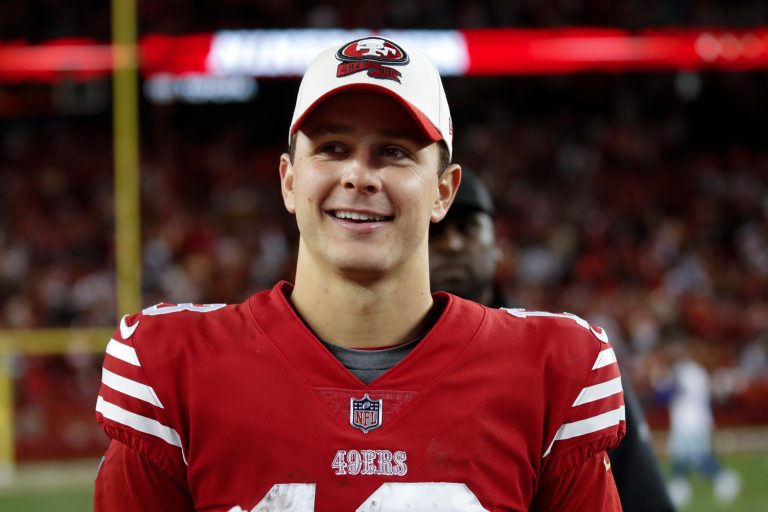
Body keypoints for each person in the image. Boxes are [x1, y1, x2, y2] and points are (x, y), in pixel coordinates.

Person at [94, 36, 625, 511]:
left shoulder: (552, 370)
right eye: (333, 148)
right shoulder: (174, 369)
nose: (359, 176)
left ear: (443, 191)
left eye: (394, 152)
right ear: (288, 180)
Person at [429, 168, 675, 511]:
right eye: (435, 230)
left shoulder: (568, 360)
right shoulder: (374, 357)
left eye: (468, 227)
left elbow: (645, 501)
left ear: (498, 245)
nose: (452, 244)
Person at [659, 342, 741, 508]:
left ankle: (724, 479)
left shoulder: (684, 372)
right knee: (682, 457)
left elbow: (665, 395)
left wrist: (660, 380)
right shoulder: (695, 371)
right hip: (694, 421)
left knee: (696, 457)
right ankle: (680, 487)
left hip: (690, 423)